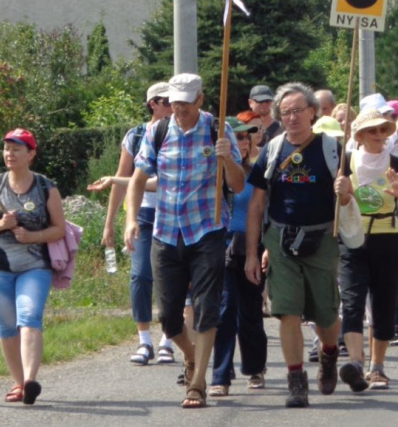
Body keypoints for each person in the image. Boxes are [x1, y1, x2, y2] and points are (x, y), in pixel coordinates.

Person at [126, 73, 245, 409]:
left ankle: (197, 383)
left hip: (207, 230)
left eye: (185, 102)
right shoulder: (158, 131)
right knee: (168, 316)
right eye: (174, 101)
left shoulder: (217, 130)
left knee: (207, 309)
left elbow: (237, 185)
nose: (179, 108)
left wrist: (228, 158)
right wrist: (131, 220)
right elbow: (137, 180)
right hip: (166, 232)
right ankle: (191, 356)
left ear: (200, 100)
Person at [244, 82, 343, 408]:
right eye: (285, 112)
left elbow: (349, 195)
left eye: (298, 111)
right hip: (282, 240)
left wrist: (346, 189)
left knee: (326, 315)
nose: (291, 117)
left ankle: (329, 354)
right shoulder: (272, 151)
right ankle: (296, 379)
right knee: (286, 311)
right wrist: (251, 253)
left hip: (323, 238)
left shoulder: (332, 149)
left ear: (312, 112)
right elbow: (256, 206)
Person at [335, 109, 398, 392]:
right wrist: (342, 193)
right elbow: (335, 207)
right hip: (352, 238)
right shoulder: (345, 162)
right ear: (360, 135)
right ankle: (356, 364)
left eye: (383, 131)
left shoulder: (396, 164)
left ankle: (378, 367)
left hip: (387, 239)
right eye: (372, 131)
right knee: (351, 302)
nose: (379, 136)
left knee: (383, 305)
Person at [0, 128, 66, 405]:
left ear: (31, 154)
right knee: (7, 327)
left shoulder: (46, 187)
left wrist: (33, 236)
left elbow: (59, 229)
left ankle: (30, 381)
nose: (9, 154)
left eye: (16, 149)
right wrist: (1, 224)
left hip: (34, 266)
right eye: (6, 149)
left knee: (29, 317)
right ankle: (18, 381)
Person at [88, 82, 175, 366]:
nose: (174, 106)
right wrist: (110, 223)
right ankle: (144, 340)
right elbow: (122, 179)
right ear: (153, 104)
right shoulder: (136, 135)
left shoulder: (181, 132)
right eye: (167, 101)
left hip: (175, 214)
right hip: (144, 216)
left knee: (171, 278)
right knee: (140, 276)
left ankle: (168, 339)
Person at [209, 118, 268, 398]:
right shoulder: (212, 172)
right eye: (238, 138)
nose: (243, 143)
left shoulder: (258, 172)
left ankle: (255, 368)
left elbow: (266, 212)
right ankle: (220, 375)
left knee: (251, 312)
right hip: (221, 245)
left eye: (246, 138)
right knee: (224, 310)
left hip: (251, 246)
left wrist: (263, 250)